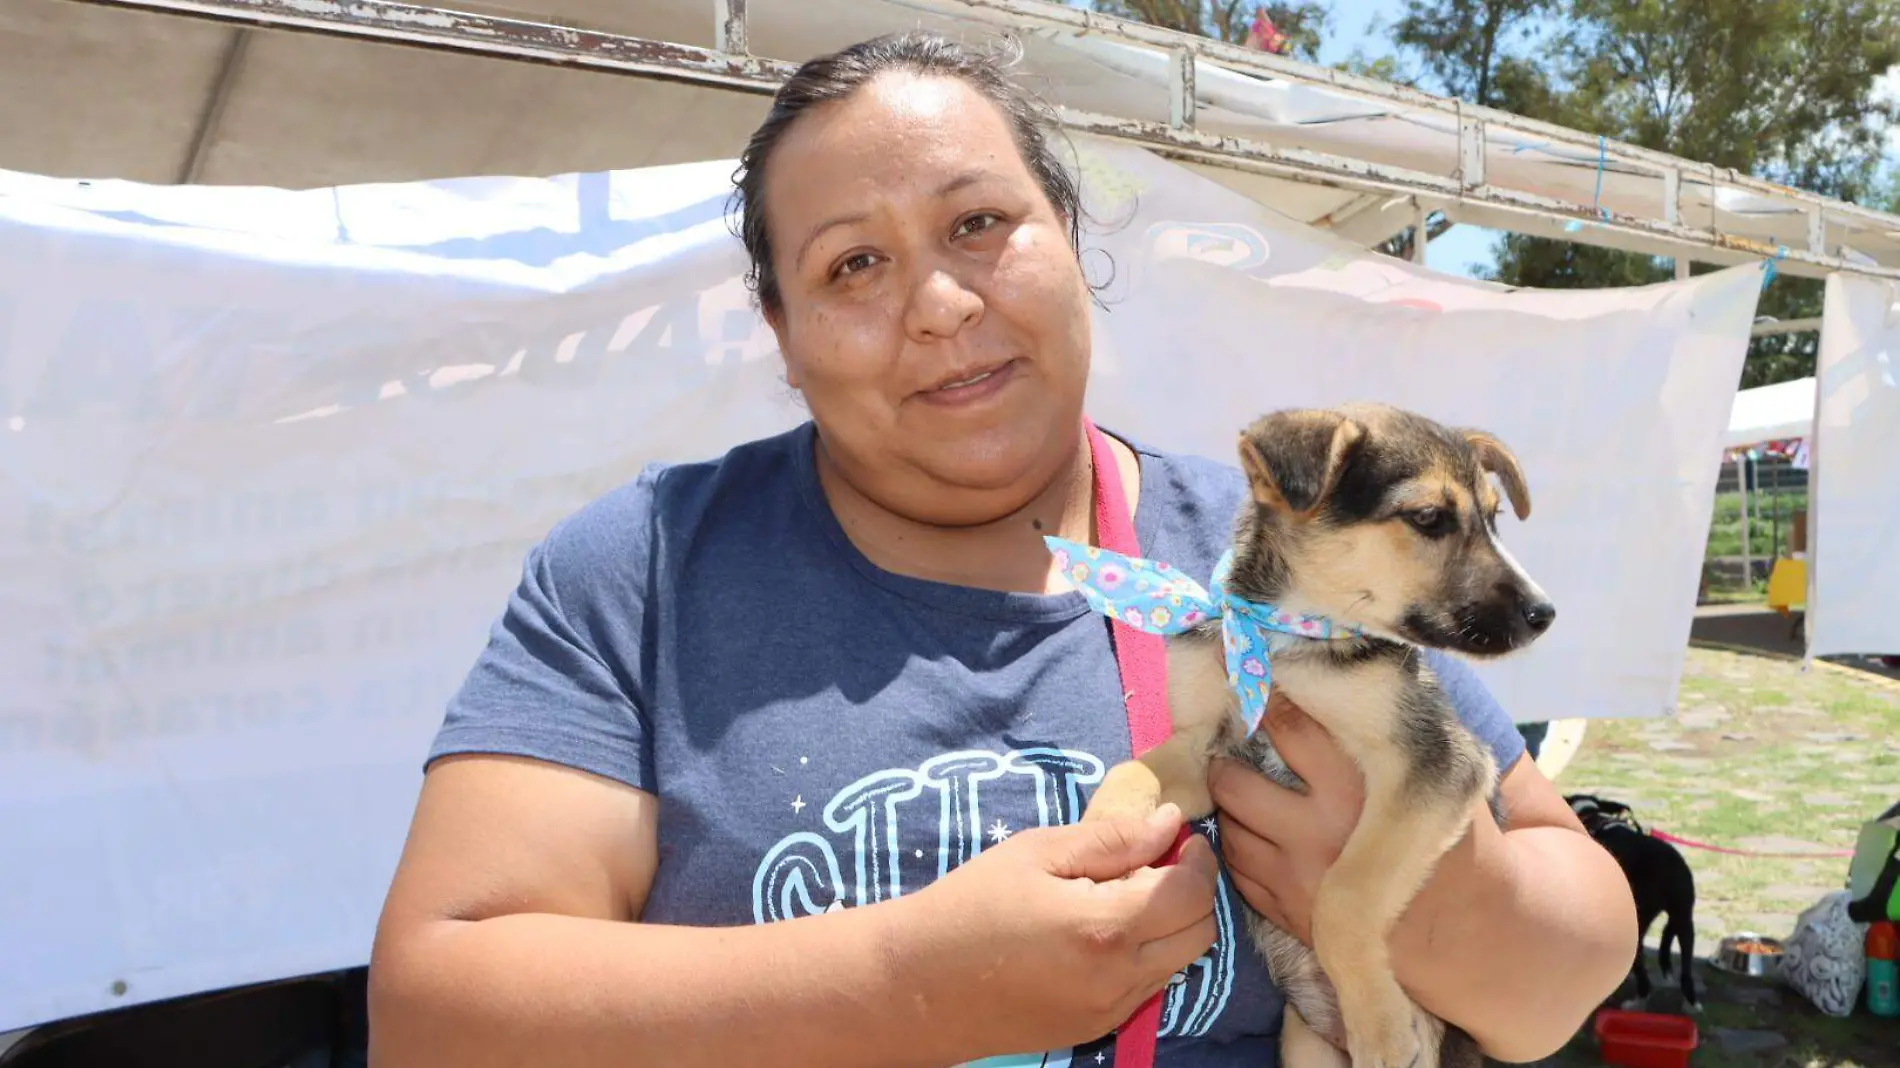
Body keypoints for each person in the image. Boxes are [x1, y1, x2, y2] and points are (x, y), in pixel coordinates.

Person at [366, 30, 1636, 1068]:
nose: (940, 305)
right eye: (853, 264)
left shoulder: (1280, 551)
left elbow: (1562, 972)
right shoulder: (641, 568)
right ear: (782, 330)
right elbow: (436, 1016)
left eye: (979, 224)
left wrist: (1418, 901)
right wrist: (899, 984)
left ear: (1070, 241)